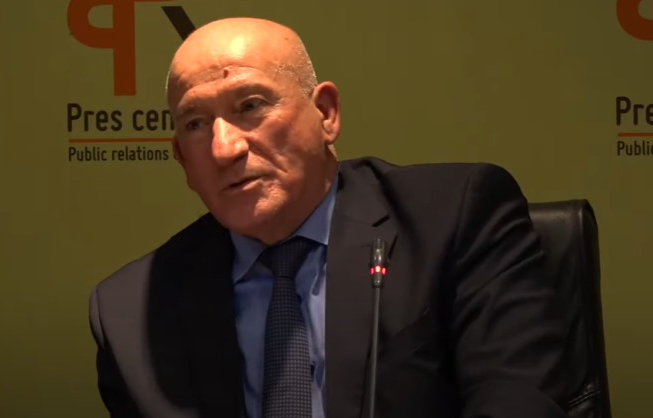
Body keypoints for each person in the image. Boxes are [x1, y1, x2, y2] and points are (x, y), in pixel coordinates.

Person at [88, 17, 570, 418]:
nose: (224, 148)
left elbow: (519, 400)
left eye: (250, 106)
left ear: (326, 113)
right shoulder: (129, 310)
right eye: (196, 124)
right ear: (180, 158)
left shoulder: (452, 218)